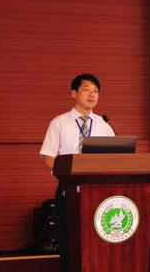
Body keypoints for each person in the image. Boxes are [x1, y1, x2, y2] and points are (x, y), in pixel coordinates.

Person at [39, 73, 115, 272]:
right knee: (70, 244)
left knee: (98, 243)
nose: (92, 94)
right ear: (74, 93)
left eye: (96, 91)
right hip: (69, 191)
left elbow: (116, 159)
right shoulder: (59, 122)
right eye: (86, 90)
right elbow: (48, 157)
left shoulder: (104, 125)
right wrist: (70, 172)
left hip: (99, 193)